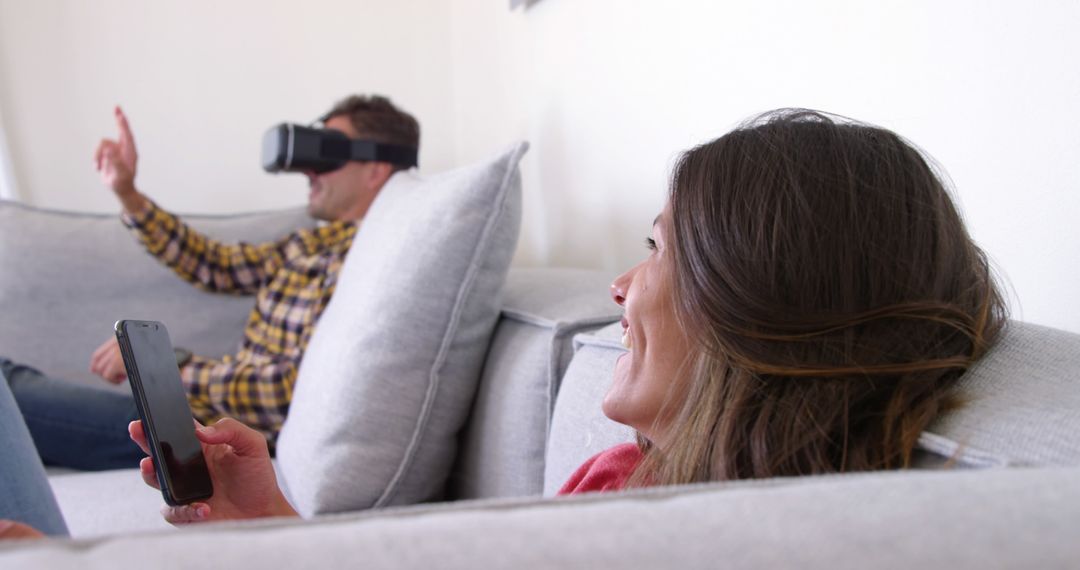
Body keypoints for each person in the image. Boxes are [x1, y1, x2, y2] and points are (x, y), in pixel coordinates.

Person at [0, 109, 1006, 538]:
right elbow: (205, 260)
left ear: (758, 304)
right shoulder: (623, 480)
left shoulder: (685, 531)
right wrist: (272, 532)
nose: (621, 285)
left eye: (657, 249)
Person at [0, 94, 421, 471]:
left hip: (212, 437)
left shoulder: (373, 263)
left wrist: (170, 368)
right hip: (189, 415)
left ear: (376, 169)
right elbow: (217, 266)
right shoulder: (312, 243)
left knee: (9, 395)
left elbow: (297, 388)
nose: (308, 170)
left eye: (327, 154)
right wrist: (129, 193)